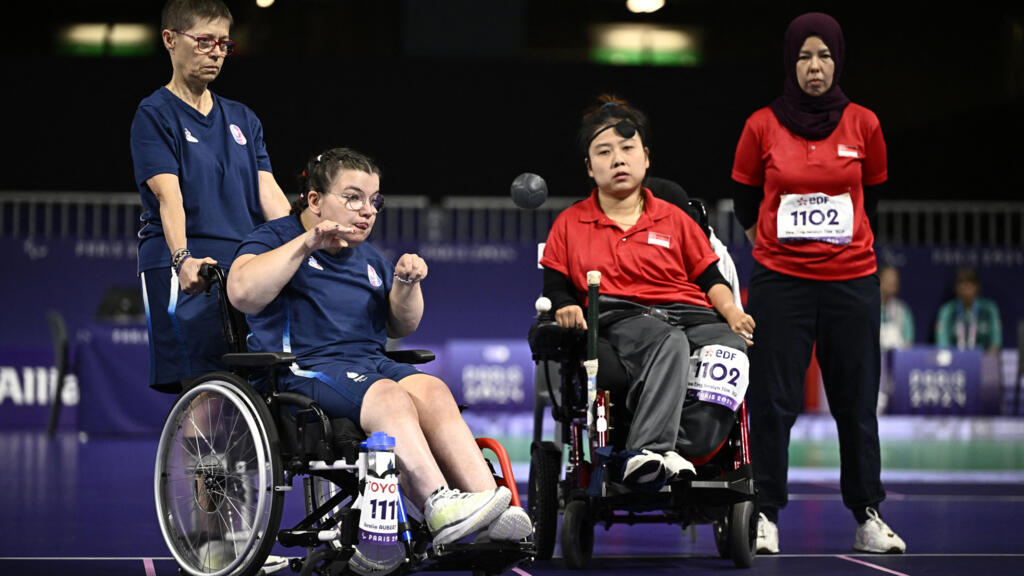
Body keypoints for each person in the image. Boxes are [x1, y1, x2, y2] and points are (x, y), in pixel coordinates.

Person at [225, 148, 532, 571]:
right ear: (314, 200)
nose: (367, 211)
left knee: (431, 387)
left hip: (369, 364)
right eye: (353, 197)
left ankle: (487, 506)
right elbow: (242, 293)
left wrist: (406, 284)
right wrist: (307, 243)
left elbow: (401, 326)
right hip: (303, 369)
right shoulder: (275, 238)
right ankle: (438, 504)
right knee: (389, 395)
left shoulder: (369, 258)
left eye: (374, 200)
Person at [730, 12, 905, 554]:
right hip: (781, 283)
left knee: (855, 402)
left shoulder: (865, 124)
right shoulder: (761, 124)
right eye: (805, 56)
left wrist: (840, 247)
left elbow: (869, 197)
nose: (814, 67)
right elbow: (743, 202)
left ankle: (868, 514)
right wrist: (779, 246)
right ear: (790, 61)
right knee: (773, 401)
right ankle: (765, 515)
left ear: (838, 60)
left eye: (824, 56)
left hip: (851, 282)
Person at [540, 95, 755, 491]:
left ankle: (685, 449)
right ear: (589, 167)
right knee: (669, 342)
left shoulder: (675, 217)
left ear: (646, 158)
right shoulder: (570, 223)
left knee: (730, 349)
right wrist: (567, 305)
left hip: (690, 313)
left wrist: (732, 313)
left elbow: (710, 278)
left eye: (627, 149)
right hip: (620, 316)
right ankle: (647, 450)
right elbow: (554, 287)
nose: (618, 159)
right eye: (604, 152)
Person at [130, 0, 291, 393]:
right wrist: (182, 259)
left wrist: (305, 244)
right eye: (204, 41)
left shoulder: (243, 119)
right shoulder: (154, 114)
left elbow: (269, 194)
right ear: (170, 39)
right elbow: (169, 197)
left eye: (223, 43)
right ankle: (197, 458)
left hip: (244, 266)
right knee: (204, 390)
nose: (216, 52)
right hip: (189, 266)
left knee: (257, 384)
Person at [935, 267, 1002, 354]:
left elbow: (995, 343)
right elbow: (942, 344)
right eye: (961, 283)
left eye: (969, 283)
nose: (965, 287)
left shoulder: (989, 309)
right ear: (956, 288)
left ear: (977, 287)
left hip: (984, 362)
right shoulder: (947, 311)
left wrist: (984, 361)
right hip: (955, 363)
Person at [878, 265, 914, 413]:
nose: (893, 282)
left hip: (897, 368)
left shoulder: (903, 311)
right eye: (888, 279)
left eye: (895, 280)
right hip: (873, 367)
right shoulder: (868, 307)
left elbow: (909, 343)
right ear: (879, 281)